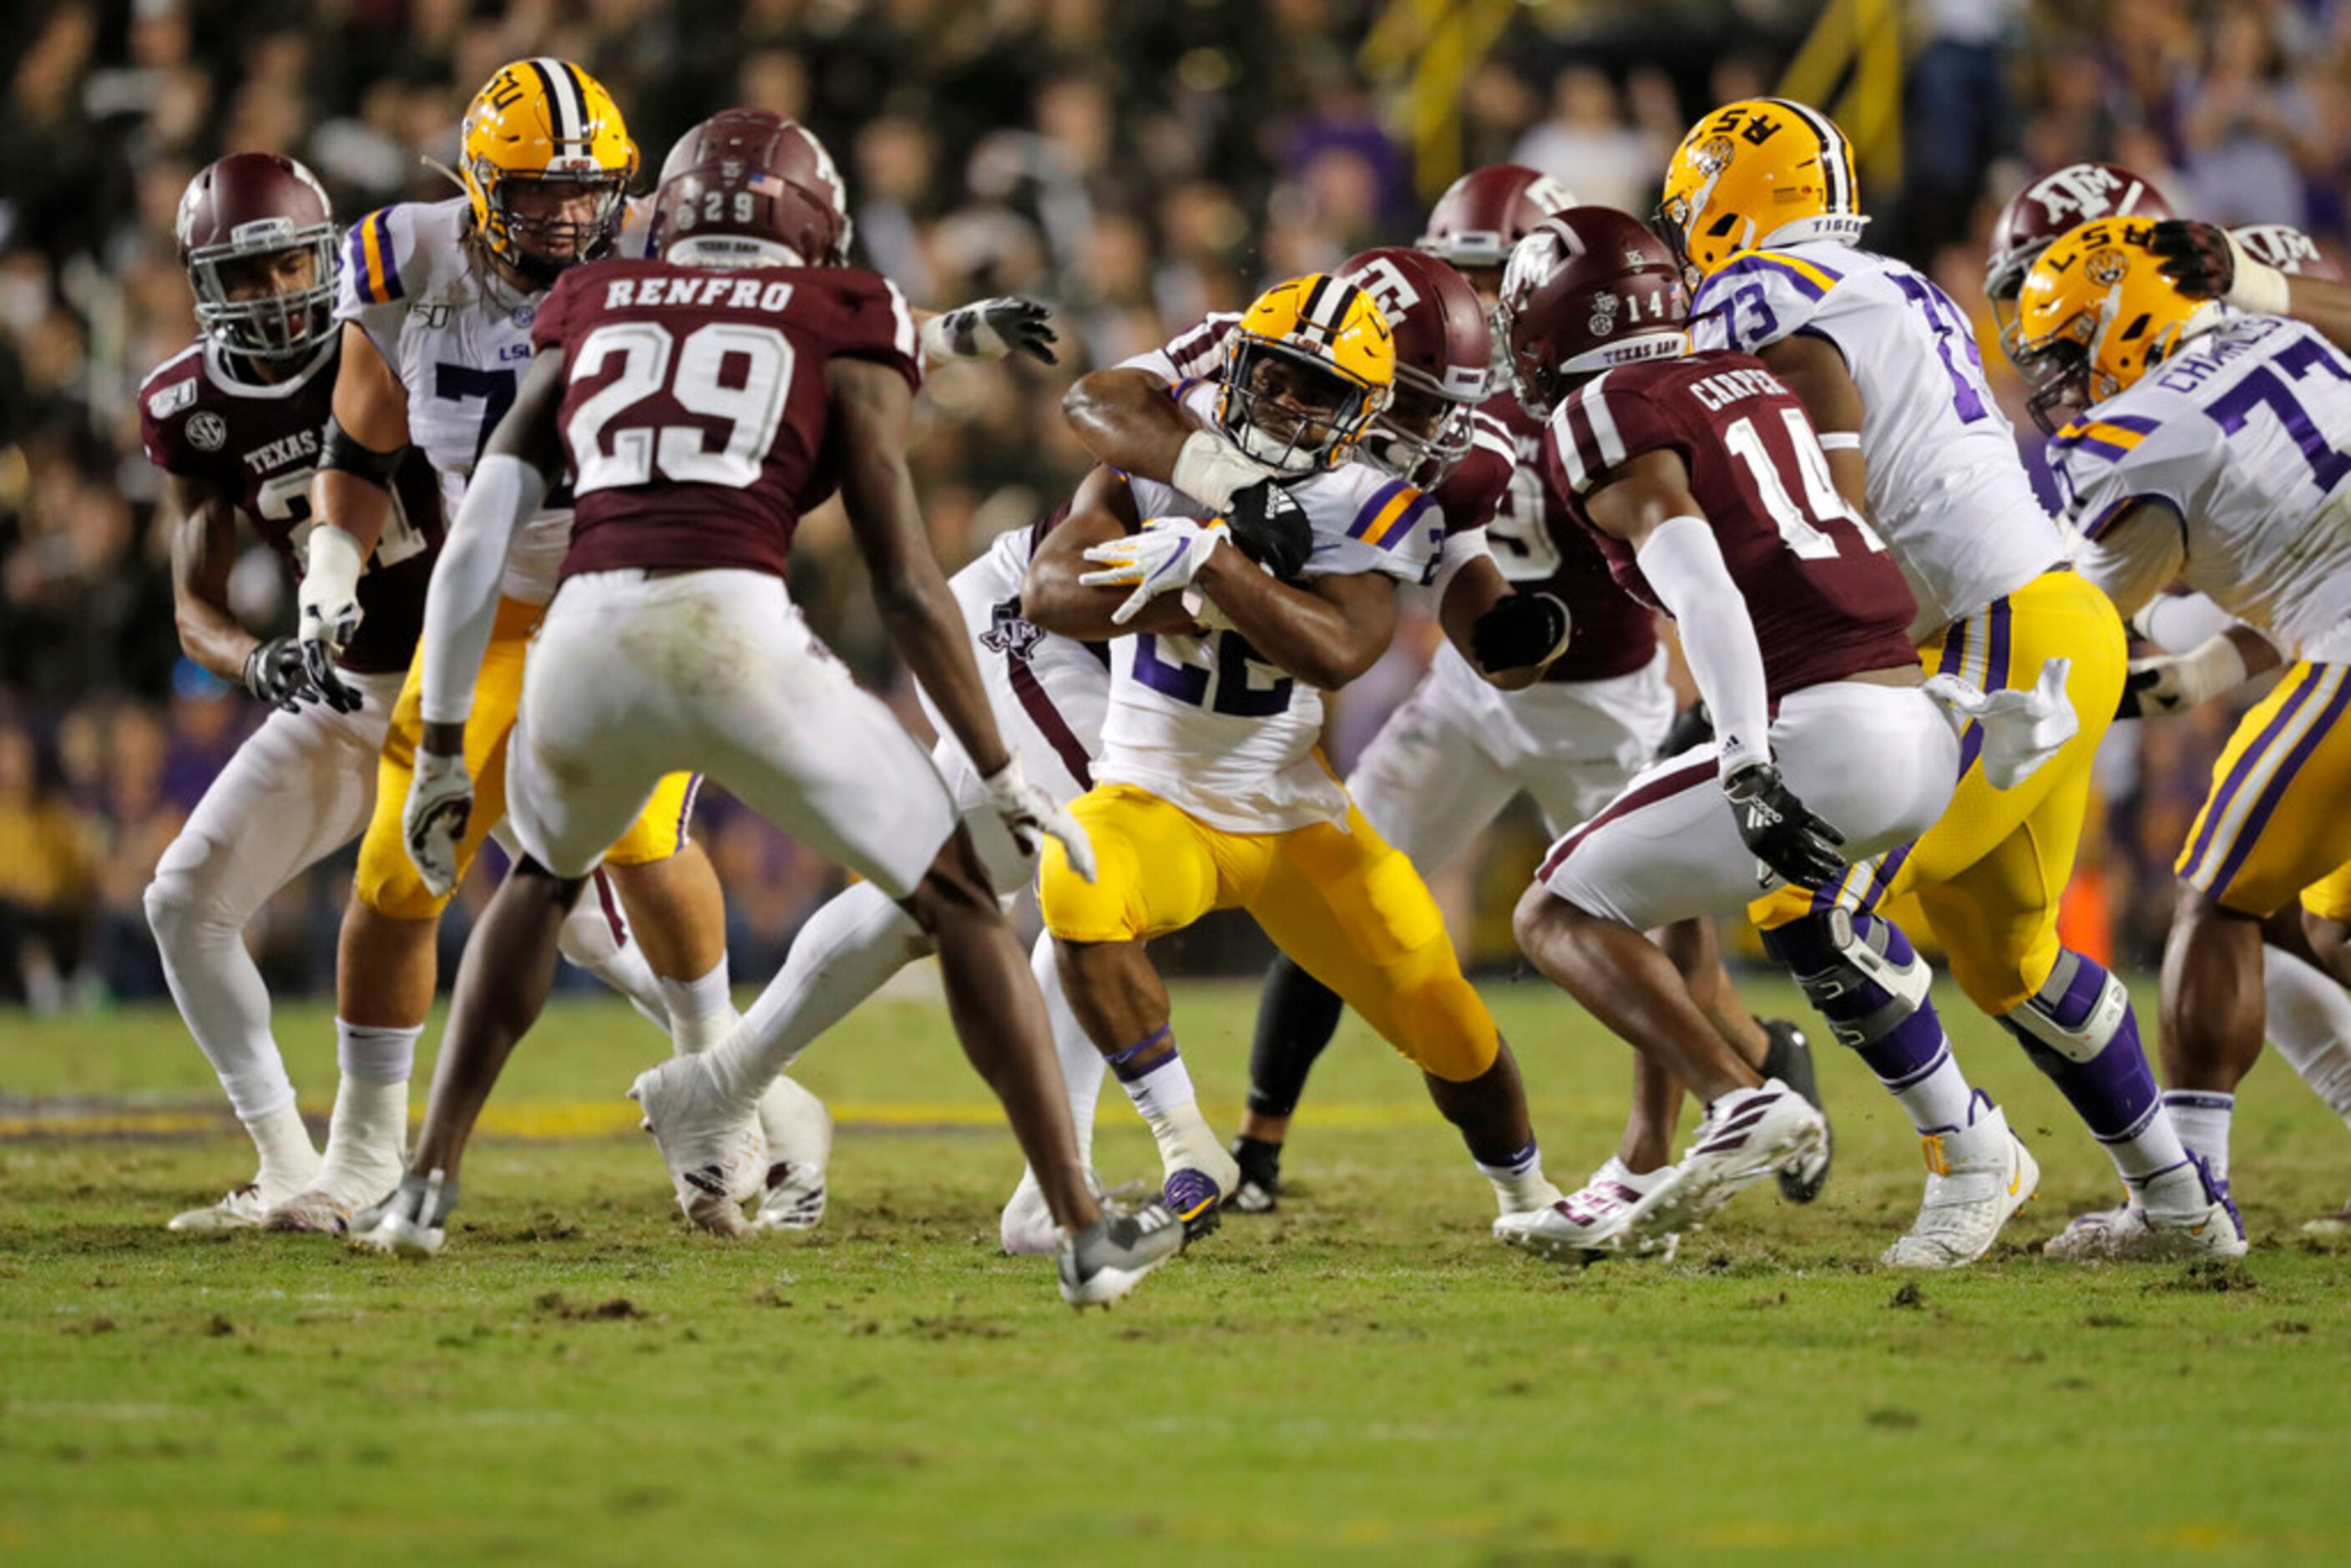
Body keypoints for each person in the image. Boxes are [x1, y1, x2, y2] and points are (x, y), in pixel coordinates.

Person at [376, 108, 1182, 1308]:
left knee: (541, 881)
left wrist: (444, 743)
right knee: (960, 897)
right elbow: (910, 584)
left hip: (586, 639)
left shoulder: (593, 297)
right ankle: (1078, 1226)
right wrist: (997, 766)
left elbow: (474, 541)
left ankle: (425, 1189)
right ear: (817, 220)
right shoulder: (842, 309)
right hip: (739, 631)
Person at [1175, 168, 1822, 1220]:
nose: (1471, 312)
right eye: (1458, 279)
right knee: (1329, 888)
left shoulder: (1604, 405)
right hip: (1468, 700)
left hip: (1605, 703)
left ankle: (1710, 1096)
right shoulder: (1422, 401)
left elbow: (1676, 562)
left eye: (1490, 281)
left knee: (1655, 939)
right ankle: (1257, 1146)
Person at [1659, 98, 2234, 1264]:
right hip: (2055, 622)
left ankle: (1974, 1154)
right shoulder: (1891, 279)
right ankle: (2179, 1206)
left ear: (1727, 198)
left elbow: (1828, 486)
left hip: (1995, 641)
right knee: (2011, 961)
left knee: (1804, 896)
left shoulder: (1758, 291)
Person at [288, 59, 830, 1236]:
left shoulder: (676, 257)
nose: (566, 220)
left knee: (642, 840)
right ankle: (364, 1149)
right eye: (534, 195)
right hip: (488, 604)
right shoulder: (405, 264)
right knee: (396, 866)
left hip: (642, 589)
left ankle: (716, 1098)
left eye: (584, 194)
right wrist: (334, 555)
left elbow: (826, 338)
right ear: (477, 186)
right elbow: (361, 438)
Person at [1024, 271, 1566, 1241]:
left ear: (1362, 413)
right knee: (1074, 877)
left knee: (1438, 1009)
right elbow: (1051, 594)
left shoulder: (1366, 500)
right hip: (1155, 796)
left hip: (1290, 817)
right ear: (1237, 366)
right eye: (1274, 376)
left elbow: (1338, 649)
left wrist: (1214, 565)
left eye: (1319, 392)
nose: (1286, 403)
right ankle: (1189, 1147)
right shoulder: (1159, 457)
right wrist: (1191, 585)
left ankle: (1528, 1199)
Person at [1494, 208, 1924, 1257]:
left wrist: (1742, 760)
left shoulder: (1601, 408)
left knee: (1552, 913)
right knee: (1647, 896)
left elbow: (1702, 583)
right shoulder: (1739, 377)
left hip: (1815, 725)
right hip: (1907, 716)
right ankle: (1640, 1165)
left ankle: (1742, 1097)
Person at [2019, 218, 2351, 1256]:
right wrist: (2204, 671)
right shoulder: (2300, 345)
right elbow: (2301, 561)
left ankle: (2187, 1198)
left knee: (2214, 902)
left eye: (2073, 352)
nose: (2064, 383)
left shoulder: (2145, 428)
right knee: (2335, 934)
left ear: (2124, 319)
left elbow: (2065, 620)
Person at [134, 152, 447, 1231]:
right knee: (185, 902)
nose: (273, 293)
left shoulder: (407, 338)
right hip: (346, 689)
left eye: (289, 267)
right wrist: (256, 659)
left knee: (593, 916)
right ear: (204, 282)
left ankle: (734, 1087)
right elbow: (194, 607)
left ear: (325, 257)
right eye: (247, 274)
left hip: (474, 675)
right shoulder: (189, 405)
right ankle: (287, 1164)